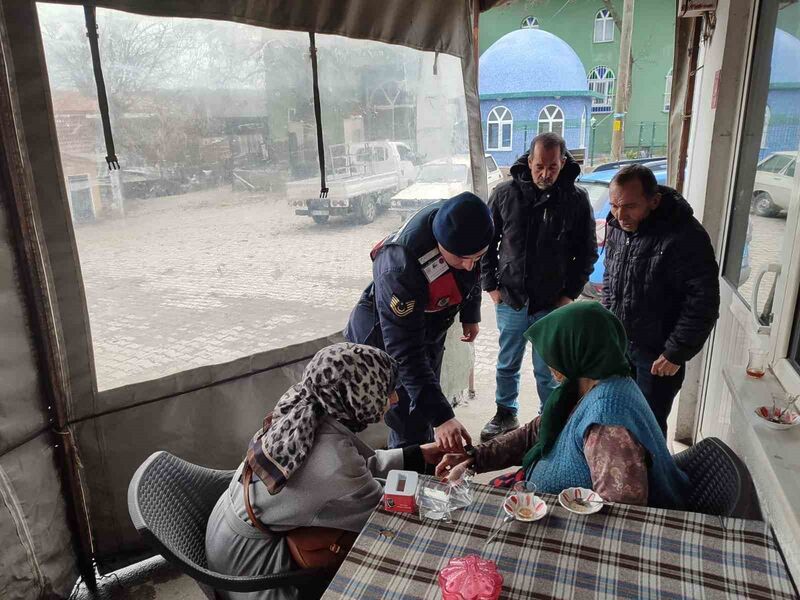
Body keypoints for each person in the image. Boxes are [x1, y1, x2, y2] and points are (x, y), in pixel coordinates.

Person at [205, 343, 444, 600]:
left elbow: (353, 471)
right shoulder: (335, 462)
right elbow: (386, 513)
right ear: (357, 395)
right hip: (249, 575)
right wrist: (441, 490)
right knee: (392, 550)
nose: (394, 398)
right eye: (386, 390)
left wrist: (418, 455)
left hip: (223, 538)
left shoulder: (302, 408)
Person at [436, 302, 690, 509]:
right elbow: (533, 433)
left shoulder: (608, 424)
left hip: (562, 519)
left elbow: (622, 514)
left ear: (577, 351)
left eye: (553, 353)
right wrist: (474, 458)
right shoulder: (587, 383)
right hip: (538, 494)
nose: (548, 363)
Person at [345, 192, 494, 451]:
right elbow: (405, 353)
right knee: (409, 416)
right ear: (439, 243)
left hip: (429, 324)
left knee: (428, 399)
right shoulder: (399, 266)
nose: (470, 266)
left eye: (477, 256)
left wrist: (471, 315)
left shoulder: (464, 223)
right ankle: (407, 476)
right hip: (387, 336)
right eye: (460, 258)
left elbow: (472, 274)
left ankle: (426, 451)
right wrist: (443, 418)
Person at [479, 132, 597, 442]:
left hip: (551, 303)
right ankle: (505, 413)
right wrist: (491, 286)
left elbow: (586, 252)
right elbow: (486, 244)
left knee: (548, 370)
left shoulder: (575, 199)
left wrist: (568, 294)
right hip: (511, 298)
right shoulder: (504, 193)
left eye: (553, 167)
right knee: (507, 362)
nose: (545, 174)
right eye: (539, 166)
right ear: (529, 161)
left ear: (563, 164)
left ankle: (551, 418)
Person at [602, 164, 720, 436]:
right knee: (618, 420)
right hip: (621, 347)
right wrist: (609, 328)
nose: (620, 215)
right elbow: (611, 278)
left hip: (658, 357)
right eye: (614, 206)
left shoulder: (684, 235)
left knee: (648, 429)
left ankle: (655, 479)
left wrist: (675, 352)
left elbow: (704, 301)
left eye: (630, 206)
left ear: (654, 201)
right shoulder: (618, 226)